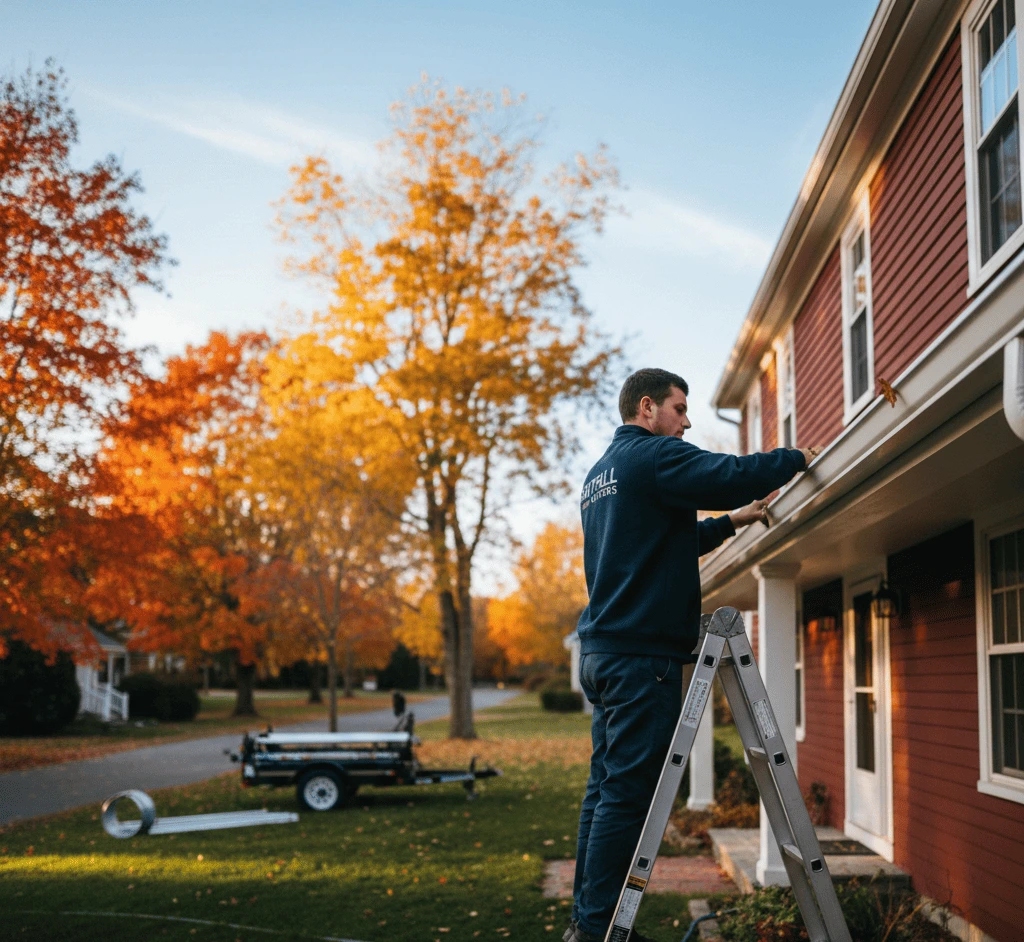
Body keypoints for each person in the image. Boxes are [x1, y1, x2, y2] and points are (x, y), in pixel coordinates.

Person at [564, 368, 820, 942]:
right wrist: (796, 456)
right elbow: (728, 474)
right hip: (639, 658)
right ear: (648, 407)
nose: (686, 422)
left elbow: (664, 544)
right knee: (628, 797)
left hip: (605, 651)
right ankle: (603, 929)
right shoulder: (652, 456)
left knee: (604, 791)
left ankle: (588, 920)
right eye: (680, 409)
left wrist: (730, 524)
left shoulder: (602, 472)